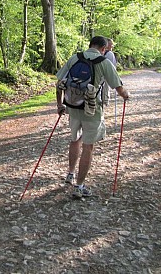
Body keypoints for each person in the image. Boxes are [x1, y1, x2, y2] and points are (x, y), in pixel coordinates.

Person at [56, 36, 129, 198]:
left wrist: (60, 105)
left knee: (75, 140)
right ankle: (79, 186)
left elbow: (59, 82)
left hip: (73, 107)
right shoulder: (104, 62)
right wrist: (126, 95)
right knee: (88, 146)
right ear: (103, 49)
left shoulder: (75, 57)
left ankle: (70, 174)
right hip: (92, 110)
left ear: (90, 45)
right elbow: (119, 88)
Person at [102, 38, 117, 105]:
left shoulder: (99, 53)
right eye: (111, 44)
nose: (112, 46)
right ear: (107, 45)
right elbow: (112, 69)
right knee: (104, 98)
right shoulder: (110, 54)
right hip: (105, 79)